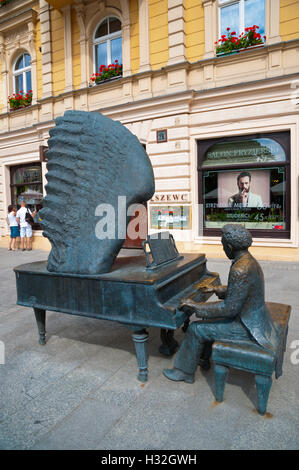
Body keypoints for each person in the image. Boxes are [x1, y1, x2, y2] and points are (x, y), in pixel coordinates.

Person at [163, 223, 279, 384]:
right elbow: (240, 292)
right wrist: (218, 289)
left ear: (230, 247)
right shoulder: (248, 260)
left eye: (223, 245)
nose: (223, 249)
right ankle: (202, 358)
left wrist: (196, 306)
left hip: (248, 326)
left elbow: (229, 309)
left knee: (196, 329)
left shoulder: (240, 269)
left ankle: (184, 372)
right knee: (205, 321)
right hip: (254, 317)